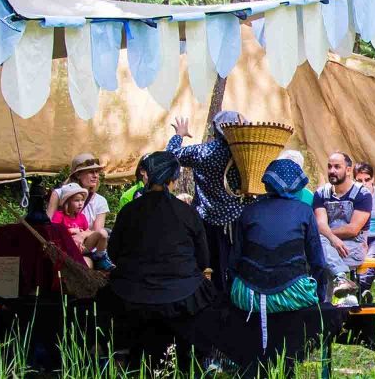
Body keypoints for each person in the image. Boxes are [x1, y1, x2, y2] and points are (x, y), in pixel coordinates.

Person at [101, 152, 215, 369]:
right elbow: (203, 260)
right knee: (208, 293)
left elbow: (113, 253)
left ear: (147, 175)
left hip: (132, 294)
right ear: (173, 178)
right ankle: (200, 360)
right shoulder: (187, 212)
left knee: (109, 294)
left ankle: (122, 354)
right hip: (181, 295)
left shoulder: (129, 210)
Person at [223, 158, 331, 372]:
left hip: (248, 297)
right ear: (297, 185)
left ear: (267, 183)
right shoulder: (304, 211)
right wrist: (320, 297)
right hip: (292, 296)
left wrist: (232, 292)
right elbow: (317, 261)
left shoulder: (249, 211)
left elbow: (234, 261)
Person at [168, 111, 252, 294]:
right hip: (236, 219)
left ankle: (210, 299)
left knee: (208, 264)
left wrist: (179, 135)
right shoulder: (246, 153)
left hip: (205, 220)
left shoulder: (202, 152)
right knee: (236, 263)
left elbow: (171, 155)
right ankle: (235, 299)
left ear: (214, 129)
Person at [314, 152, 374, 300]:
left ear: (348, 170)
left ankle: (325, 308)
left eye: (337, 167)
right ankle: (341, 280)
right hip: (329, 245)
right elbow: (320, 224)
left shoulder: (363, 195)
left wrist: (327, 235)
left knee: (320, 256)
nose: (332, 171)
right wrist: (332, 239)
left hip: (353, 247)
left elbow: (353, 229)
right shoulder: (321, 193)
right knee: (319, 246)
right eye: (329, 167)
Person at [46, 154, 113, 265]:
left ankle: (100, 260)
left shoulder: (100, 201)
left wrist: (82, 235)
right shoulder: (59, 193)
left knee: (85, 263)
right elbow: (48, 224)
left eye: (97, 172)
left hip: (87, 248)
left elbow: (97, 231)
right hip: (62, 246)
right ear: (78, 174)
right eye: (91, 172)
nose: (95, 176)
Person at [51, 182, 111, 269]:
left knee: (103, 233)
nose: (80, 203)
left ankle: (100, 257)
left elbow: (88, 231)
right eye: (77, 200)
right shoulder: (59, 215)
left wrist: (82, 234)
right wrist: (70, 231)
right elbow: (53, 232)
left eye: (82, 200)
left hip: (82, 248)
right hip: (66, 250)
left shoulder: (82, 217)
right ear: (67, 202)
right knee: (84, 266)